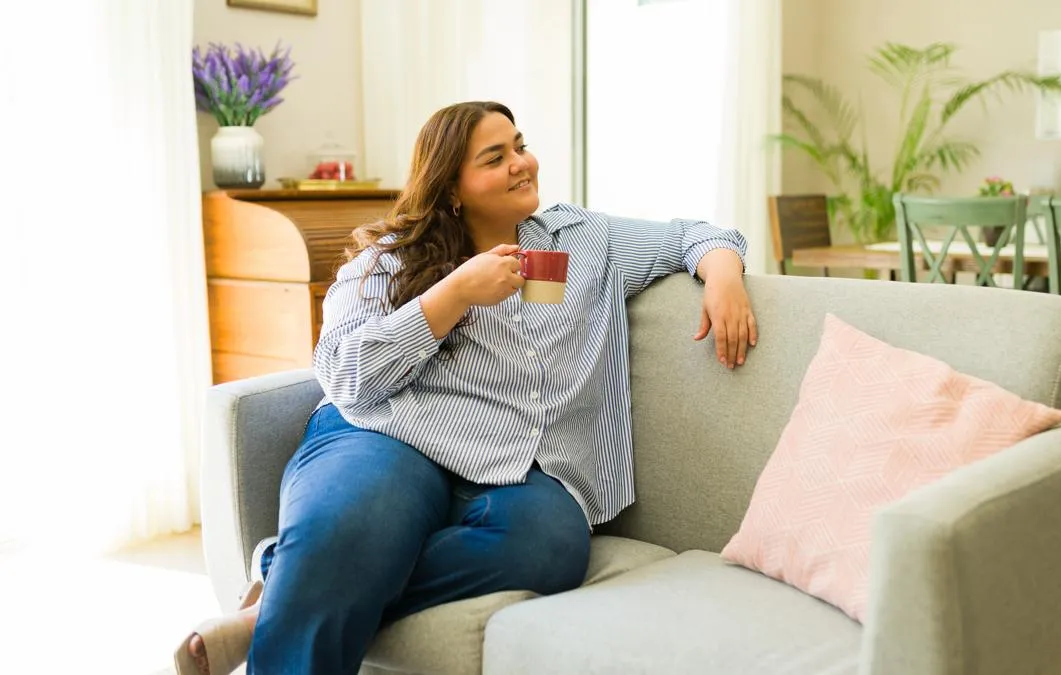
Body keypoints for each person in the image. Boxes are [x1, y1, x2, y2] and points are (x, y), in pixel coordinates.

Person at [176, 100, 756, 675]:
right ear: (452, 188)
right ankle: (311, 582)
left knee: (551, 545)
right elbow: (347, 378)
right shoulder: (389, 260)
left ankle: (282, 593)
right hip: (387, 435)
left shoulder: (580, 241)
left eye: (520, 146)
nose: (521, 163)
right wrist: (451, 295)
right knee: (357, 521)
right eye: (495, 157)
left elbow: (696, 234)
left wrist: (723, 273)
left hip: (524, 466)